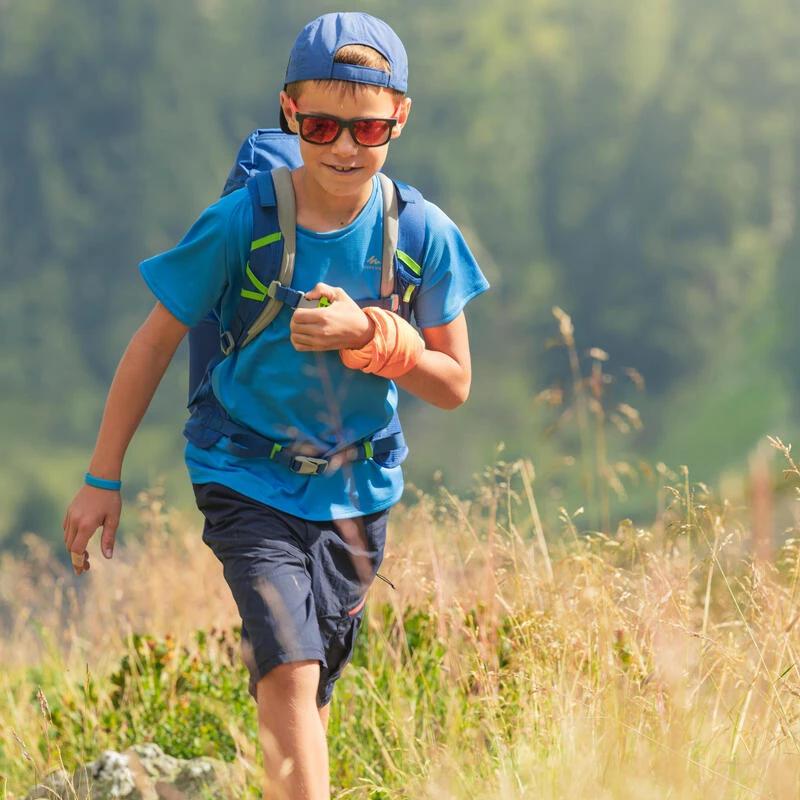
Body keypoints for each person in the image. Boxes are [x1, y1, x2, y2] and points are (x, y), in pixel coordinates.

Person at [63, 11, 488, 799]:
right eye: (322, 124)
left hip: (359, 490)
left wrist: (371, 334)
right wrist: (102, 477)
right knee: (289, 668)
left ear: (401, 117)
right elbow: (153, 343)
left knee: (312, 682)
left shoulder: (419, 232)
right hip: (244, 476)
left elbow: (454, 383)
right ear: (290, 111)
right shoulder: (242, 222)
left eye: (366, 128)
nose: (343, 148)